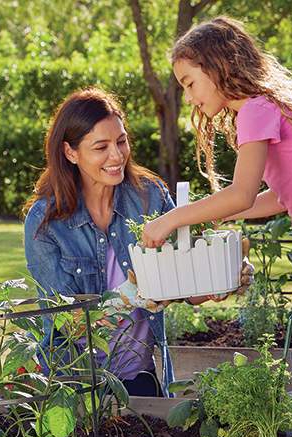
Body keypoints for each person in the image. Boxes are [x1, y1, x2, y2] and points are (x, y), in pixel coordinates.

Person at [139, 16, 292, 405]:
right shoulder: (264, 105)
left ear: (217, 66)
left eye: (190, 83)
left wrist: (173, 218)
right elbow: (280, 197)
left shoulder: (255, 110)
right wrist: (219, 214)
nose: (189, 97)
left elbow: (241, 193)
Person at [22, 88, 178, 397]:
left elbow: (182, 275)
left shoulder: (150, 196)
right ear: (71, 153)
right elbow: (67, 323)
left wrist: (221, 274)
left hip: (140, 375)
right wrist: (127, 297)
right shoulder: (45, 222)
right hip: (75, 382)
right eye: (101, 147)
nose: (117, 156)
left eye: (121, 141)